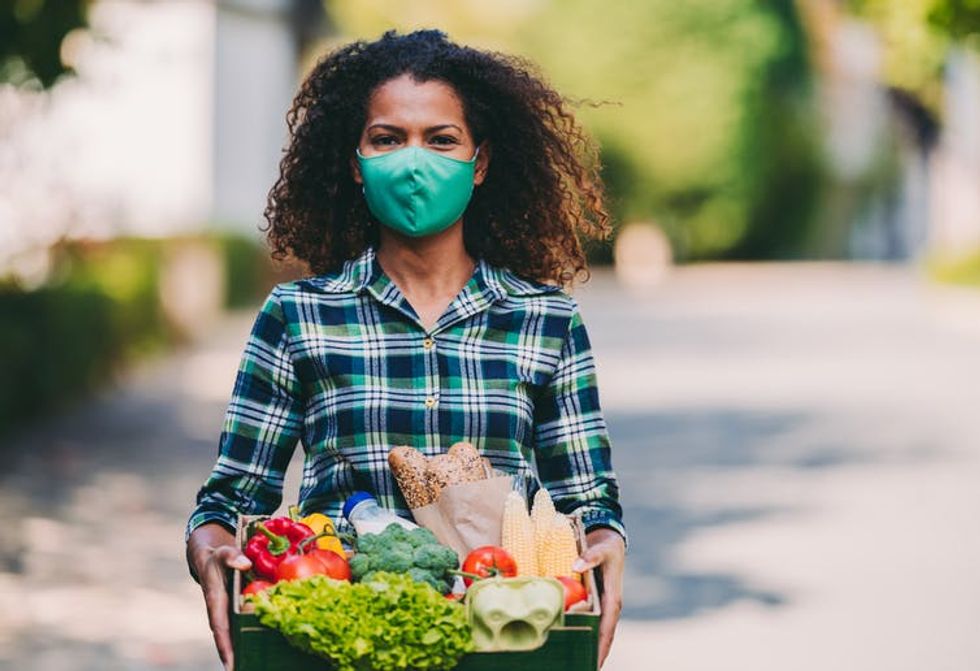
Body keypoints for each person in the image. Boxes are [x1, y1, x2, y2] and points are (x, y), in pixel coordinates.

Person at [184, 29, 627, 670]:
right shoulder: (298, 316)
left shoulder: (546, 320)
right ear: (355, 162)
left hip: (503, 643)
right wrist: (211, 549)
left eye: (440, 139)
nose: (413, 160)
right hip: (336, 643)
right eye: (387, 139)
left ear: (479, 164)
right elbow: (232, 499)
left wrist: (607, 540)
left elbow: (588, 499)